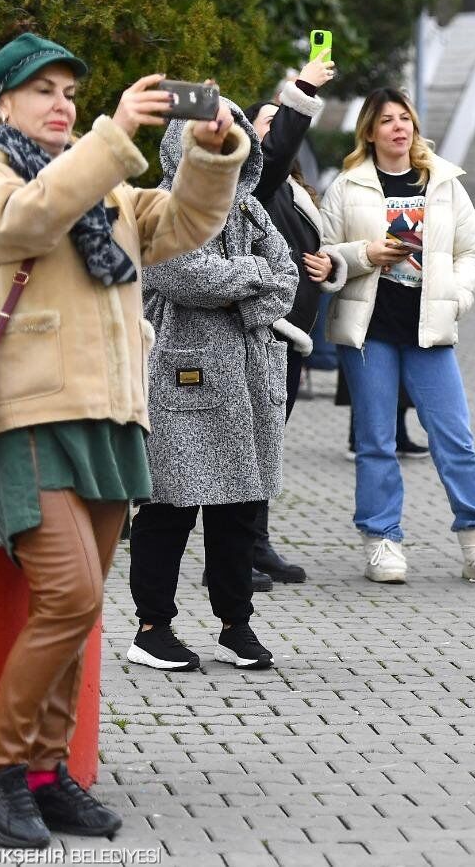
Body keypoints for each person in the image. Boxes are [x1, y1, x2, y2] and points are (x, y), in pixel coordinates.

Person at [0, 34, 246, 847]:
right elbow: (24, 221)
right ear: (1, 103)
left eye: (70, 91)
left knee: (80, 611)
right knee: (70, 594)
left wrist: (211, 157)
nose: (61, 104)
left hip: (111, 416)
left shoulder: (99, 180)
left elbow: (178, 224)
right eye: (42, 90)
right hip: (25, 412)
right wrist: (114, 137)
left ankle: (44, 771)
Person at [128, 101, 300, 675]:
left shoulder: (253, 210)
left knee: (240, 507)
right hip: (184, 372)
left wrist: (242, 287)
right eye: (211, 134)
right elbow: (177, 273)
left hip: (250, 377)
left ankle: (236, 622)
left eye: (234, 134)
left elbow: (288, 279)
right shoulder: (161, 207)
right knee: (169, 504)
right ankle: (152, 627)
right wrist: (251, 280)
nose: (224, 142)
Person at [320, 87, 475, 585]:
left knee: (455, 438)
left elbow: (473, 250)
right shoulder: (348, 186)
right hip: (370, 330)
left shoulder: (443, 182)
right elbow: (322, 255)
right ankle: (382, 542)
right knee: (376, 440)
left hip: (430, 330)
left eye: (405, 119)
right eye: (386, 120)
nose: (398, 128)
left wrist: (457, 298)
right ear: (370, 131)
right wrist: (367, 254)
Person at [243, 54, 344, 586]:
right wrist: (301, 90)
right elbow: (277, 149)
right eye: (266, 121)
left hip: (293, 334)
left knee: (268, 444)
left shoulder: (293, 190)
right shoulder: (251, 184)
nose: (274, 130)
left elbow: (321, 247)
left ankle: (256, 544)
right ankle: (239, 550)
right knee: (248, 444)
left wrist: (331, 264)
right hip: (260, 331)